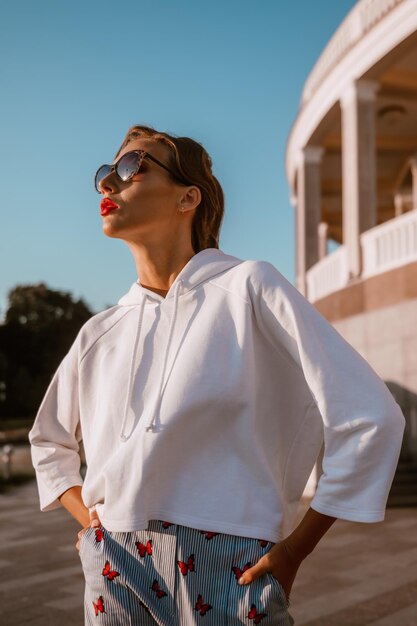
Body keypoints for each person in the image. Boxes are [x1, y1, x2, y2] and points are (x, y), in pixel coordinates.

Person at [29, 125, 405, 626]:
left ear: (189, 197)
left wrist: (295, 550)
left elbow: (369, 415)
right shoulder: (100, 330)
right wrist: (93, 523)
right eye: (104, 173)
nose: (108, 185)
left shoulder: (250, 287)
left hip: (227, 558)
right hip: (111, 561)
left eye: (130, 167)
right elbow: (47, 442)